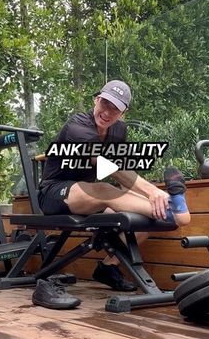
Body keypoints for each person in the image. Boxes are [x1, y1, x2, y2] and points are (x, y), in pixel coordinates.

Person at [37, 79, 191, 293]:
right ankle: (174, 211)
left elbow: (122, 174)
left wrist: (149, 197)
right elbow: (106, 165)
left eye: (115, 108)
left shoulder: (119, 131)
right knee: (106, 190)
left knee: (144, 211)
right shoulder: (78, 125)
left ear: (123, 112)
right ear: (96, 99)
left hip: (88, 194)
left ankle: (108, 267)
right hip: (54, 192)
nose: (108, 112)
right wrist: (153, 190)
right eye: (105, 103)